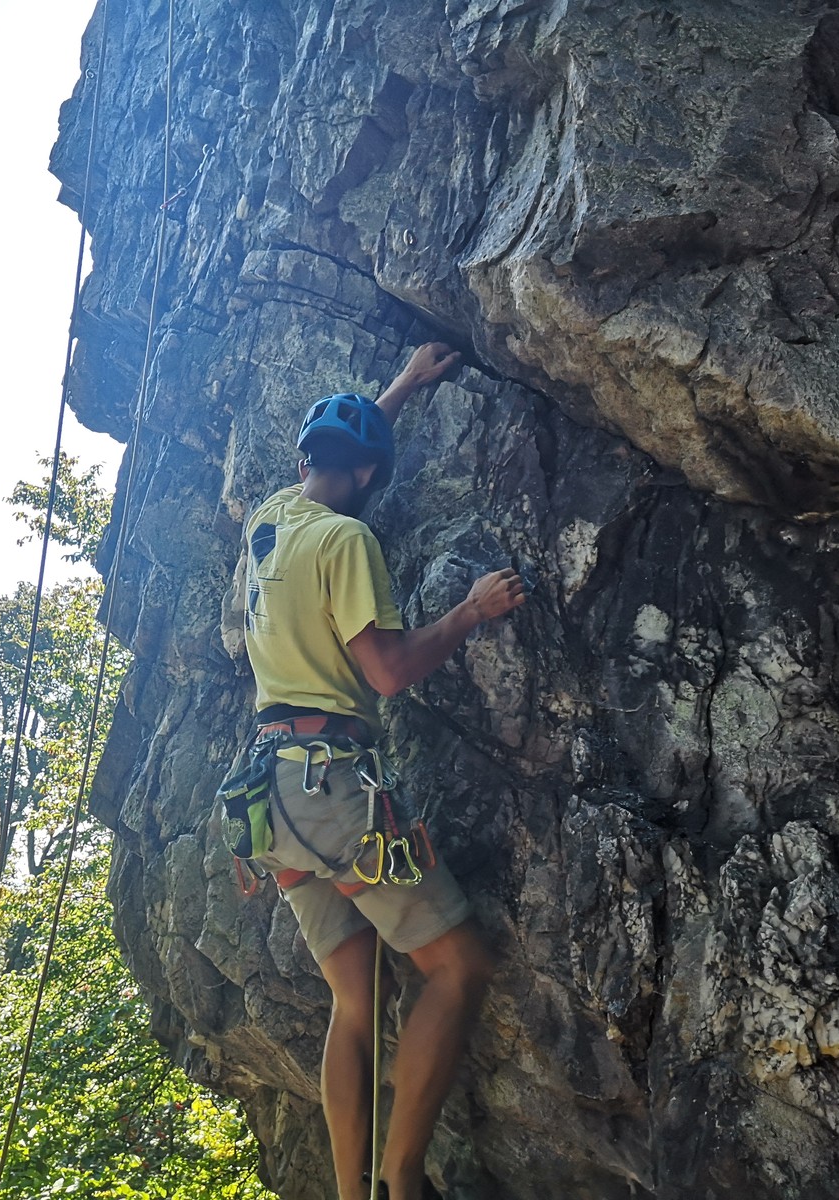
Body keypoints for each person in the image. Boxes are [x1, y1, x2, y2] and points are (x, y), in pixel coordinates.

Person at [225, 343, 526, 1200]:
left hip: (268, 799)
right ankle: (402, 1182)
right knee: (457, 966)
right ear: (367, 477)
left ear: (304, 463)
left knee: (353, 1000)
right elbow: (388, 672)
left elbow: (349, 454)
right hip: (330, 788)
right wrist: (470, 610)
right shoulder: (347, 541)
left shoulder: (272, 520)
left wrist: (398, 387)